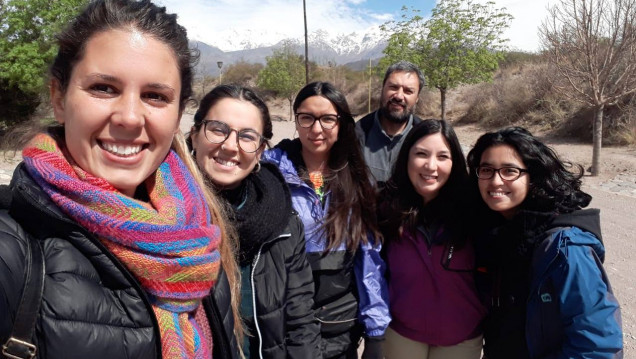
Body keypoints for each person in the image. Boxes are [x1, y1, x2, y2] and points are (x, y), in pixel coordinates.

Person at [0, 1, 242, 358]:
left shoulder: (195, 239)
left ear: (177, 117)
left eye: (155, 96)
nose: (129, 117)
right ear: (59, 99)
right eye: (103, 88)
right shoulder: (11, 253)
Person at [187, 84, 320, 358]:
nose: (230, 146)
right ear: (194, 136)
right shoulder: (161, 216)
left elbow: (300, 320)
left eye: (247, 136)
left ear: (260, 150)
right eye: (217, 129)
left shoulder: (281, 220)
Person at [466, 127, 623, 358]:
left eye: (510, 171)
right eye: (487, 170)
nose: (496, 181)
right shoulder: (499, 235)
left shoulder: (564, 247)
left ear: (534, 177)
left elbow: (597, 345)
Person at [263, 82, 390, 359]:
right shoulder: (268, 172)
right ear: (295, 118)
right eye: (306, 117)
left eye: (327, 119)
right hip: (286, 323)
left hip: (340, 327)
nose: (316, 129)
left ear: (342, 122)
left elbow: (369, 259)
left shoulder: (357, 178)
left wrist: (376, 331)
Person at [378, 120, 486, 359]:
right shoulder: (384, 209)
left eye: (442, 156)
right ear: (406, 156)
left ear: (454, 162)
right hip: (401, 333)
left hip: (461, 338)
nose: (430, 165)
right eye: (421, 154)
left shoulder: (476, 210)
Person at [355, 60, 425, 189]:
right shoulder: (356, 134)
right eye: (393, 87)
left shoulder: (426, 138)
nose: (399, 96)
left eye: (408, 91)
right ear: (383, 89)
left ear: (417, 98)